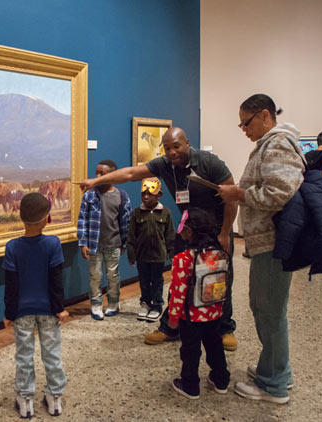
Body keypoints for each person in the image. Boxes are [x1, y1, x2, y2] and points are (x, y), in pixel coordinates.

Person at [75, 127, 239, 351]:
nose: (172, 152)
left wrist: (225, 233)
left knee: (218, 278)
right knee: (180, 279)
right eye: (168, 148)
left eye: (176, 147)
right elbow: (131, 173)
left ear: (187, 143)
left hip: (218, 228)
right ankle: (171, 327)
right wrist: (94, 182)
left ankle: (225, 329)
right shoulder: (165, 165)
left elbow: (232, 198)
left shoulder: (210, 163)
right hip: (190, 229)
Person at [218, 94, 304, 404]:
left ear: (264, 115)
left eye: (246, 122)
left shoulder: (278, 143)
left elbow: (278, 191)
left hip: (272, 242)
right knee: (267, 309)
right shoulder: (271, 144)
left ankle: (274, 385)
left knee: (268, 311)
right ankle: (276, 368)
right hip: (267, 243)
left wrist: (238, 193)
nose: (243, 129)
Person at [3, 193, 69, 418]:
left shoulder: (12, 247)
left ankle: (25, 400)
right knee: (51, 353)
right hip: (50, 311)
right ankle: (55, 398)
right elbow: (56, 280)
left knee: (24, 355)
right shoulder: (53, 243)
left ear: (21, 218)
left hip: (22, 313)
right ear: (47, 219)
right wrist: (59, 307)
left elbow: (10, 285)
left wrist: (9, 313)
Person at [168, 207, 230, 400]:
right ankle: (221, 380)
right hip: (214, 312)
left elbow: (178, 292)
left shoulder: (183, 259)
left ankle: (190, 385)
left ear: (189, 231)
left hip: (191, 316)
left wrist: (173, 317)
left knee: (190, 350)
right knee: (215, 345)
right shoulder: (219, 254)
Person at [77, 159, 131, 320]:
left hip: (113, 243)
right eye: (97, 173)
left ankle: (113, 303)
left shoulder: (121, 196)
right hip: (94, 245)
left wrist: (124, 242)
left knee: (113, 275)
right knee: (95, 275)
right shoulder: (89, 195)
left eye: (103, 173)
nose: (98, 176)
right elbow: (82, 220)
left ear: (112, 175)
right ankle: (96, 304)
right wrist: (83, 242)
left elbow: (125, 221)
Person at [126, 177, 175, 322]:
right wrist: (131, 254)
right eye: (143, 194)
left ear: (158, 195)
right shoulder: (136, 213)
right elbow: (131, 236)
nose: (146, 197)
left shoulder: (165, 213)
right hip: (142, 256)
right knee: (144, 281)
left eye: (150, 194)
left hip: (158, 256)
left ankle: (157, 305)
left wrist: (172, 254)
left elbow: (170, 235)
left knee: (157, 281)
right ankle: (145, 303)